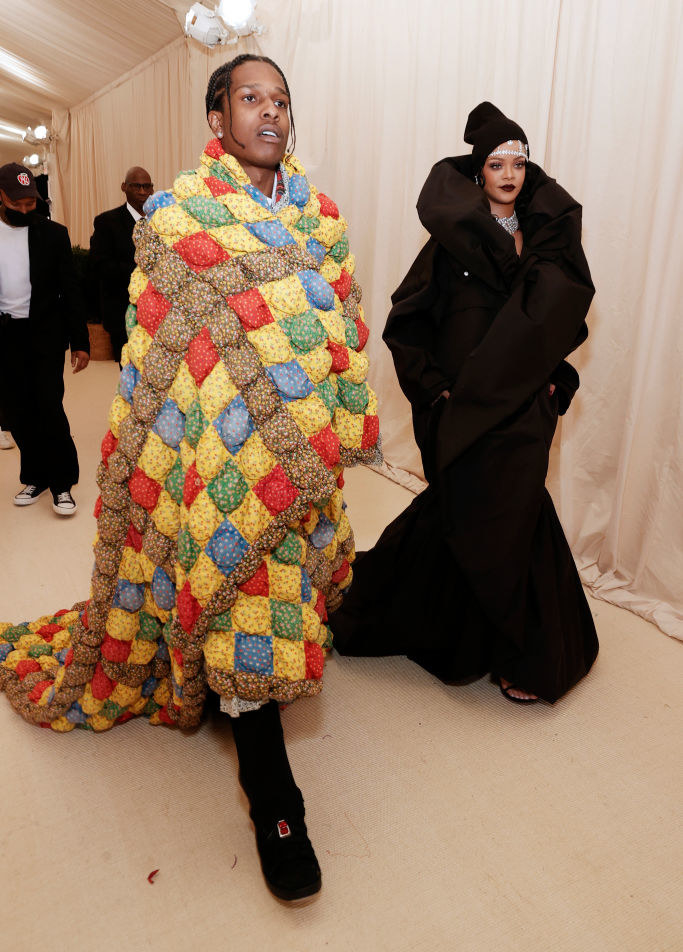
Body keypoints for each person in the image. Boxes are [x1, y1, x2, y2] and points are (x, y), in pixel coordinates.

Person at [0, 56, 380, 901]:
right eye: (251, 99)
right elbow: (159, 343)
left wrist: (325, 413)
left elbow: (341, 321)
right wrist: (183, 455)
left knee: (287, 602)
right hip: (217, 462)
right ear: (217, 119)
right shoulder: (175, 217)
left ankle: (250, 721)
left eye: (282, 99)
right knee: (246, 609)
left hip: (299, 459)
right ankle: (276, 803)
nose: (270, 112)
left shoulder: (320, 217)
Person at [332, 101, 598, 705]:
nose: (509, 173)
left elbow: (550, 326)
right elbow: (405, 323)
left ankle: (518, 657)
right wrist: (434, 391)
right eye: (497, 163)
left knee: (517, 516)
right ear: (478, 172)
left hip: (525, 408)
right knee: (463, 515)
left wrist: (558, 380)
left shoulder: (548, 240)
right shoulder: (451, 246)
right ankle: (410, 612)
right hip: (466, 411)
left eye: (520, 162)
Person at [0, 163, 90, 515]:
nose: (24, 210)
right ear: (2, 196)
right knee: (16, 411)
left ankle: (63, 484)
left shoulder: (53, 234)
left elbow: (71, 290)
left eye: (30, 203)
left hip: (44, 333)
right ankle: (35, 476)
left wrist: (80, 341)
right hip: (6, 335)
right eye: (16, 203)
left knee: (49, 407)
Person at [90, 167, 154, 363]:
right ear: (124, 187)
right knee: (128, 372)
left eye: (147, 186)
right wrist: (143, 272)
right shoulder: (106, 222)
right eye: (137, 186)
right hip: (122, 310)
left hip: (159, 311)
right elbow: (101, 265)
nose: (143, 191)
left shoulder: (162, 219)